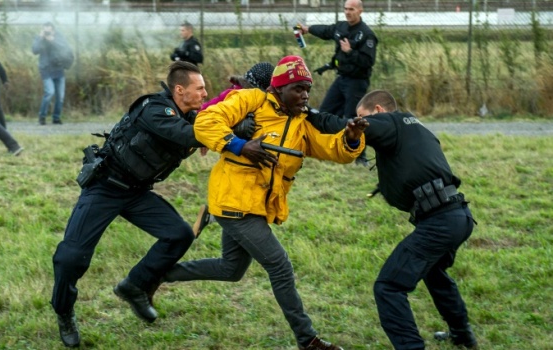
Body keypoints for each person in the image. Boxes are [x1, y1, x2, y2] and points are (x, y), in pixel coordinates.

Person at [157, 55, 368, 350]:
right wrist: (240, 145)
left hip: (256, 205)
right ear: (278, 89)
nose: (305, 95)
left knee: (232, 269)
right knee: (280, 266)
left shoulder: (300, 123)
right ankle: (308, 340)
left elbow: (333, 150)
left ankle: (156, 274)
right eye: (297, 88)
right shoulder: (251, 99)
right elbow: (206, 121)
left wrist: (350, 138)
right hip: (234, 202)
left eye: (308, 88)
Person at [50, 61, 208, 348]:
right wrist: (211, 136)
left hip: (136, 192)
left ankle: (134, 286)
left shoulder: (189, 116)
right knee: (71, 258)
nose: (205, 93)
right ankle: (63, 311)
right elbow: (184, 135)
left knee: (180, 234)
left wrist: (238, 127)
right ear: (180, 89)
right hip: (105, 187)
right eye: (200, 88)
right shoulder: (154, 109)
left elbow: (202, 125)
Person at [308, 90, 478, 349]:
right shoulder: (413, 126)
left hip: (440, 221)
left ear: (378, 111)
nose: (362, 123)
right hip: (458, 215)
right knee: (434, 273)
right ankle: (463, 335)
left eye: (363, 117)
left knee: (388, 287)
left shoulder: (391, 121)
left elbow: (348, 126)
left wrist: (309, 114)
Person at [193, 61, 275, 236]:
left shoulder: (239, 92)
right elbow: (205, 113)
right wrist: (232, 129)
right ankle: (213, 214)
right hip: (235, 148)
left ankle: (213, 215)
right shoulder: (237, 95)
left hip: (236, 148)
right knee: (237, 194)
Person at [297, 0, 377, 166]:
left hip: (357, 82)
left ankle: (360, 155)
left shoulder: (366, 34)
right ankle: (322, 147)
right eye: (346, 9)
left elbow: (367, 62)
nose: (348, 12)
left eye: (352, 9)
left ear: (360, 11)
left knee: (353, 119)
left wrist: (350, 52)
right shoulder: (342, 27)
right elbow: (327, 30)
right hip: (341, 79)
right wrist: (308, 29)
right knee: (325, 112)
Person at [32, 21, 74, 125]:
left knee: (60, 96)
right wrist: (40, 38)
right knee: (49, 92)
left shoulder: (58, 37)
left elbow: (65, 48)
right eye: (45, 30)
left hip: (58, 69)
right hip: (46, 69)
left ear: (53, 30)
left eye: (49, 30)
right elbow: (34, 50)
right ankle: (42, 117)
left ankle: (56, 118)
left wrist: (52, 40)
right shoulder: (40, 38)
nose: (47, 33)